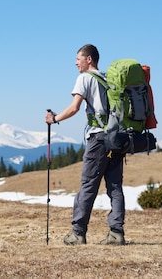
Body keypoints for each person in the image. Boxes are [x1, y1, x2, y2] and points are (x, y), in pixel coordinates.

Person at [45, 44, 126, 246]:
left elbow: (74, 108)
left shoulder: (85, 78)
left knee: (88, 186)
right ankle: (116, 233)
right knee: (115, 187)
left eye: (78, 58)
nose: (75, 62)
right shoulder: (109, 78)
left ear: (89, 59)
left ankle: (78, 234)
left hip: (98, 140)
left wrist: (54, 119)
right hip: (116, 139)